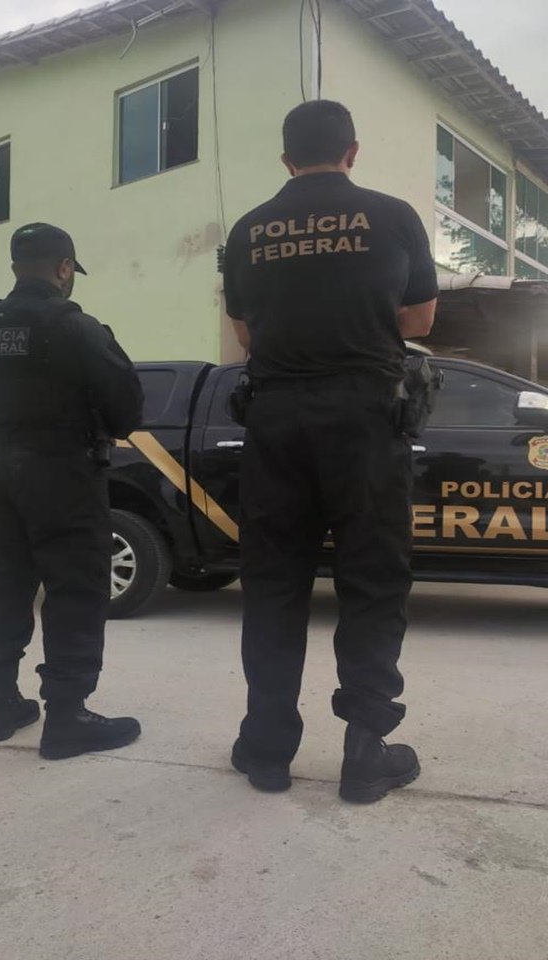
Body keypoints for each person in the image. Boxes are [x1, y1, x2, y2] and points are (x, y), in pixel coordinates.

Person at [222, 101, 438, 803]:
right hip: (365, 416)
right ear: (352, 151)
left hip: (276, 417)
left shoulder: (249, 230)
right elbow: (419, 317)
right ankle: (365, 751)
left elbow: (246, 333)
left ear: (286, 159)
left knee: (273, 582)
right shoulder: (393, 216)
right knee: (372, 581)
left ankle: (266, 749)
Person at [0, 223, 144, 760]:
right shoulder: (75, 326)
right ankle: (67, 716)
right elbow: (127, 409)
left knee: (6, 583)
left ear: (16, 267)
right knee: (75, 588)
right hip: (61, 471)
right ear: (63, 268)